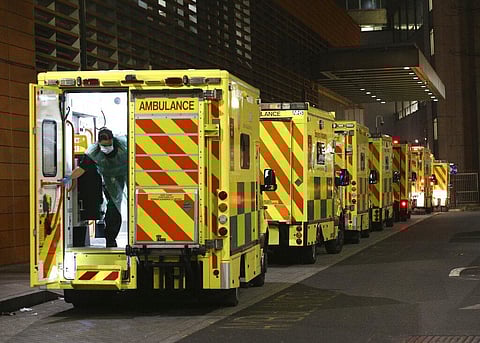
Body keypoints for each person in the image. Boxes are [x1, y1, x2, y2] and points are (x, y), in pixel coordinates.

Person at [63, 127, 128, 248]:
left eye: (109, 145)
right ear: (99, 143)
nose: (107, 148)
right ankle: (110, 239)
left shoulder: (124, 145)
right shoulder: (94, 152)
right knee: (113, 207)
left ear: (113, 140)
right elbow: (82, 169)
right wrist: (69, 178)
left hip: (128, 174)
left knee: (130, 204)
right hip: (110, 179)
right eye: (104, 145)